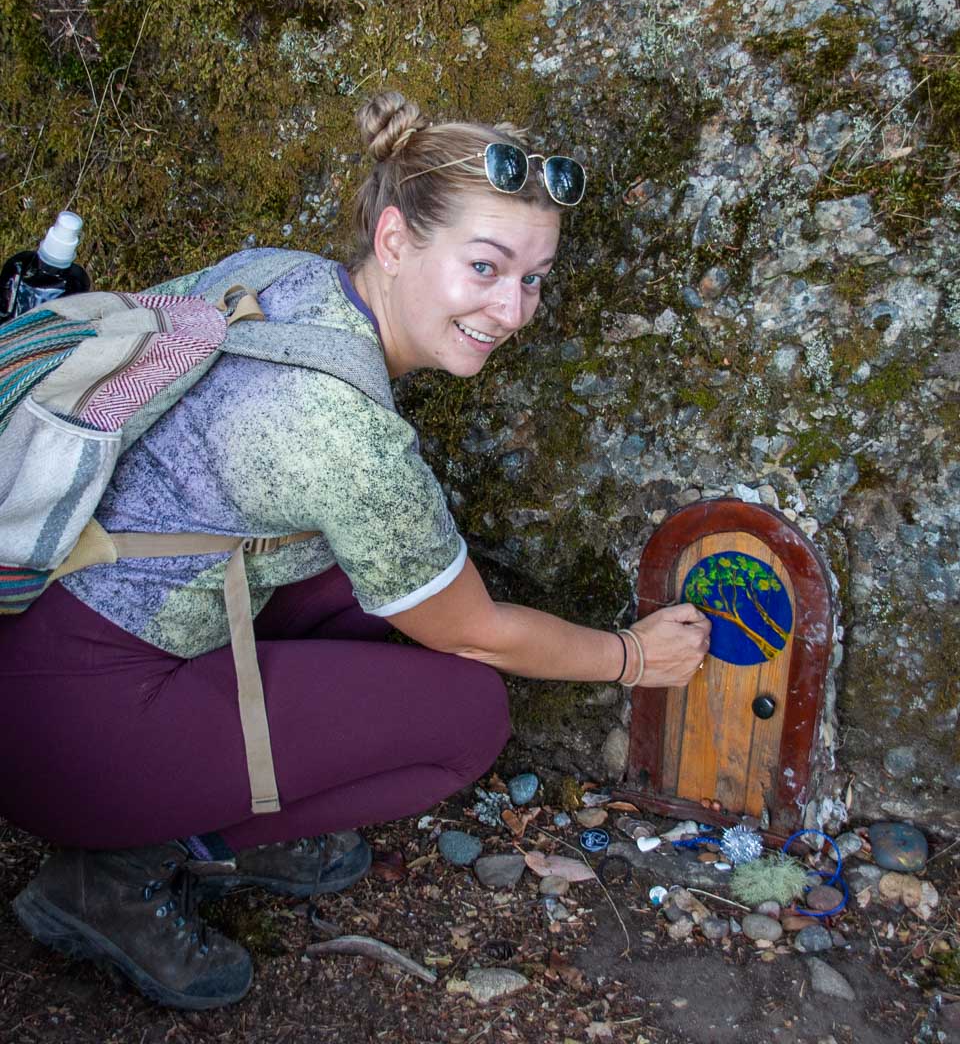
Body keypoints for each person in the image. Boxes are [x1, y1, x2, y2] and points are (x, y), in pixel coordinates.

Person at [0, 91, 710, 1009]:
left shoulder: (279, 276)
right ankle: (118, 870)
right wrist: (633, 658)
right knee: (465, 718)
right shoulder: (348, 435)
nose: (514, 307)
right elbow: (477, 633)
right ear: (392, 241)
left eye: (533, 278)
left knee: (370, 580)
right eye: (487, 267)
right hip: (71, 729)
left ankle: (205, 794)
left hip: (42, 615)